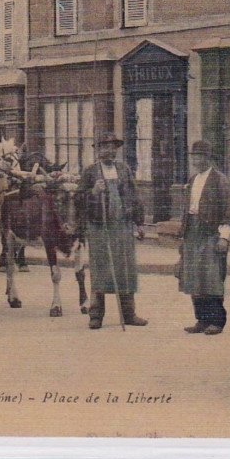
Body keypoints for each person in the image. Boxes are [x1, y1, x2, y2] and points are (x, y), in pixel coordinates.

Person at [76, 132, 147, 329]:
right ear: (98, 150)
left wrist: (139, 223)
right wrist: (93, 192)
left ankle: (129, 314)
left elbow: (134, 196)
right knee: (100, 270)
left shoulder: (124, 170)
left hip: (122, 227)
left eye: (113, 147)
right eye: (106, 147)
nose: (110, 151)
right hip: (100, 228)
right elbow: (78, 200)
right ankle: (96, 315)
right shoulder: (90, 172)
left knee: (125, 269)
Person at [178, 140, 230, 335]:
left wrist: (224, 237)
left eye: (200, 156)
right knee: (194, 278)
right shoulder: (192, 179)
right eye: (194, 157)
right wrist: (183, 235)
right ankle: (201, 320)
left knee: (211, 278)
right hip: (192, 232)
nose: (197, 160)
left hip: (211, 233)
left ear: (208, 158)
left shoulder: (219, 180)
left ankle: (217, 321)